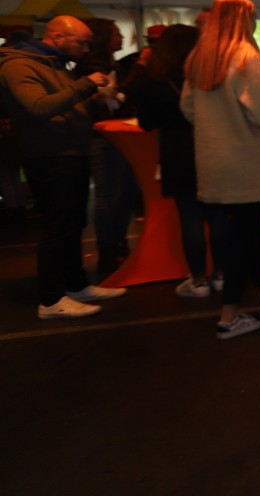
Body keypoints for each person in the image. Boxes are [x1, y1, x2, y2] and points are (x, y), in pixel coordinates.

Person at [182, 0, 260, 339]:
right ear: (242, 20)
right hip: (245, 161)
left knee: (243, 234)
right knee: (244, 240)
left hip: (213, 160)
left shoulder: (199, 58)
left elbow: (187, 108)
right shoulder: (246, 57)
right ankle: (229, 316)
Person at [0, 16, 126, 318]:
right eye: (81, 42)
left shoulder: (53, 64)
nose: (85, 49)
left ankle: (75, 285)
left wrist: (92, 99)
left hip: (69, 153)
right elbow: (38, 107)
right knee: (57, 227)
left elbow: (62, 106)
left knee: (72, 224)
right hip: (50, 156)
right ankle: (51, 299)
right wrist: (85, 86)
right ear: (57, 37)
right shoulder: (19, 65)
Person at [125, 24, 225, 298]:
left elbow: (147, 123)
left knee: (190, 217)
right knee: (217, 215)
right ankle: (221, 274)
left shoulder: (149, 78)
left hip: (175, 151)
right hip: (211, 147)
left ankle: (198, 280)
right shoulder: (207, 74)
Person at [83, 17, 133, 276]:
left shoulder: (110, 65)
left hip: (116, 136)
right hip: (104, 137)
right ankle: (108, 249)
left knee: (122, 193)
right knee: (110, 195)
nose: (121, 38)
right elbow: (109, 98)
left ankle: (115, 244)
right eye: (116, 34)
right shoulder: (92, 69)